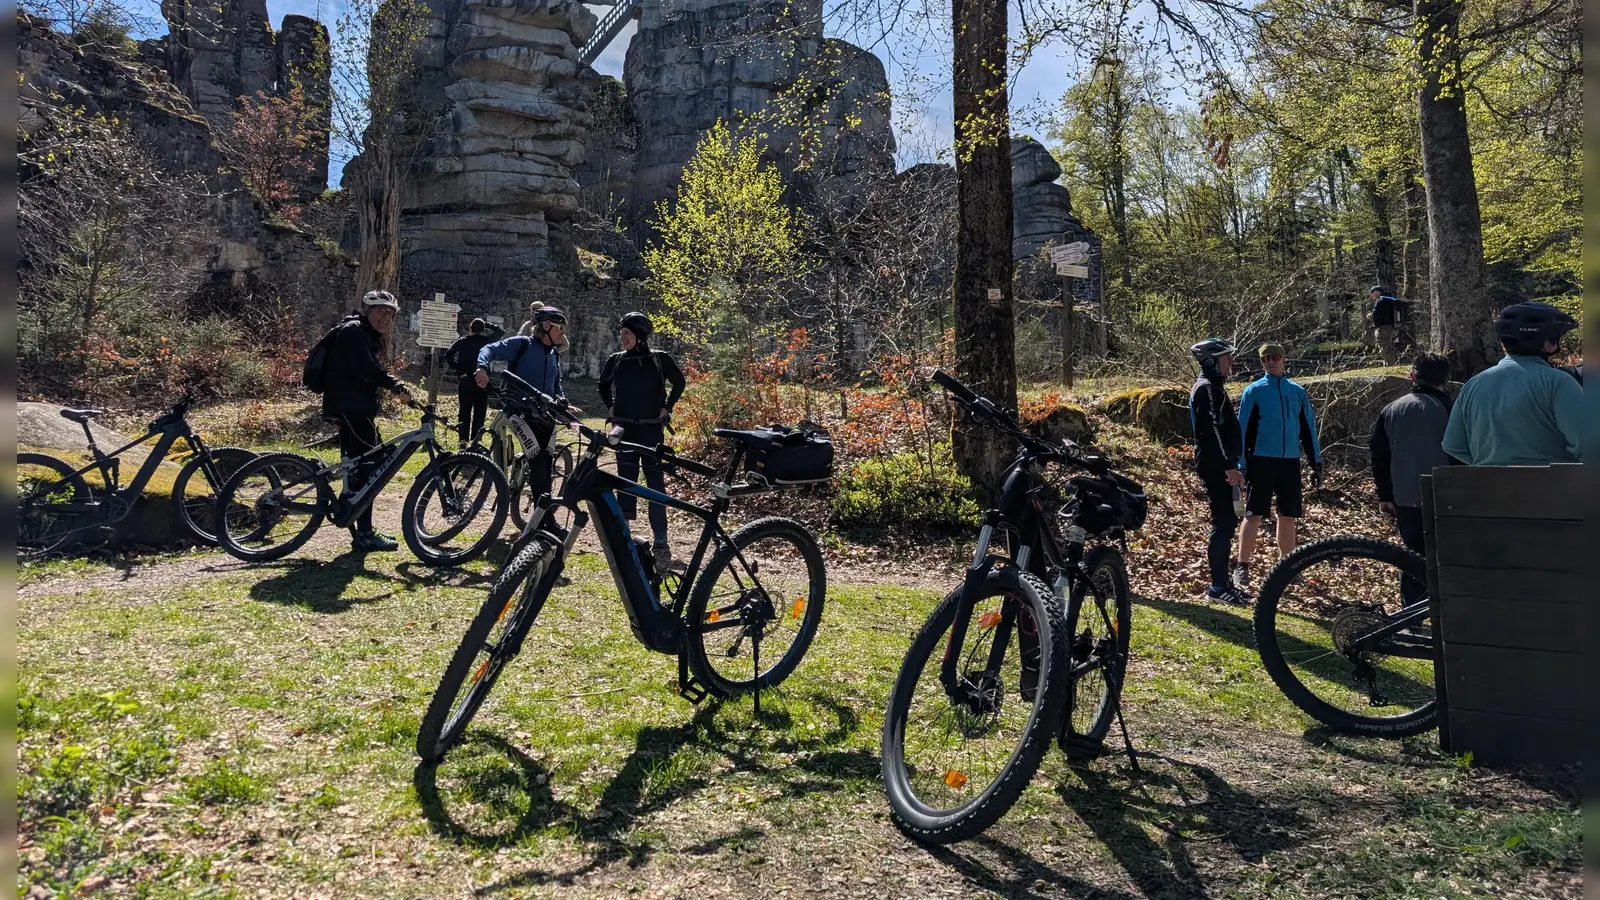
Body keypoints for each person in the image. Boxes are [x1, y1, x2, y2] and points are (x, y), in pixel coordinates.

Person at [323, 290, 411, 552]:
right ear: (367, 310)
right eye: (381, 311)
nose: (386, 317)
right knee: (371, 469)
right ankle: (365, 533)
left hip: (354, 408)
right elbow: (366, 369)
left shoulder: (364, 334)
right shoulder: (353, 332)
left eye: (390, 314)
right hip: (352, 409)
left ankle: (355, 519)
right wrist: (395, 385)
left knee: (361, 468)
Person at [1443, 302, 1582, 466]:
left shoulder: (1473, 385)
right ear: (1549, 344)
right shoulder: (1560, 383)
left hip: (1486, 489)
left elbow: (1453, 446)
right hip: (1553, 489)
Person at [599, 311, 686, 571]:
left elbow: (679, 382)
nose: (622, 338)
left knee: (655, 486)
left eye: (626, 333)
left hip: (651, 432)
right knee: (626, 483)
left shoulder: (660, 359)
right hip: (624, 431)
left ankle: (661, 540)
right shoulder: (616, 361)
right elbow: (603, 385)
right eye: (622, 333)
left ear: (640, 336)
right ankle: (624, 536)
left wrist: (667, 407)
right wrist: (610, 407)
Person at [1235, 343, 1323, 585]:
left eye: (1274, 357)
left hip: (1290, 463)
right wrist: (1240, 462)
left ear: (1283, 359)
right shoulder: (1253, 391)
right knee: (1254, 514)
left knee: (1288, 517)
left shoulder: (1297, 392)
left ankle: (1288, 568)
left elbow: (1308, 429)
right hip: (1261, 461)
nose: (1270, 362)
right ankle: (1242, 566)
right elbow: (1242, 430)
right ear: (1261, 362)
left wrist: (1316, 461)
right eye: (1265, 359)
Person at [475, 305, 580, 506]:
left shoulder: (553, 354)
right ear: (547, 326)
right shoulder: (522, 344)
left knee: (547, 464)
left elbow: (555, 384)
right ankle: (544, 522)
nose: (563, 333)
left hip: (545, 415)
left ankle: (542, 517)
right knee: (539, 461)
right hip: (519, 413)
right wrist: (481, 367)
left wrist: (562, 401)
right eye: (560, 328)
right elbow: (488, 349)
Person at [1370, 353, 1454, 606]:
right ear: (1447, 379)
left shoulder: (1390, 410)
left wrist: (1384, 496)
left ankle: (1410, 616)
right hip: (1447, 497)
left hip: (1405, 497)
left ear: (1413, 376)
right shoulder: (1452, 409)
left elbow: (1379, 457)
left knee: (1412, 558)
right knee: (1445, 559)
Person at [1187, 338, 1251, 606]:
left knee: (1227, 523)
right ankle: (1217, 587)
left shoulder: (1214, 388)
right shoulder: (1206, 390)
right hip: (1216, 466)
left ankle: (1222, 584)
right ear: (1212, 361)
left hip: (1221, 464)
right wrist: (1229, 466)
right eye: (1226, 359)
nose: (1231, 363)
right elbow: (1209, 432)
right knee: (1222, 524)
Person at [444, 318, 496, 446]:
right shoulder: (486, 341)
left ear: (470, 328)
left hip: (466, 379)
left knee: (464, 411)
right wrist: (487, 325)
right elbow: (501, 331)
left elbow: (448, 355)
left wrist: (459, 369)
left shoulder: (463, 341)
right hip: (481, 380)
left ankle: (462, 441)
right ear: (483, 330)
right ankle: (476, 441)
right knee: (479, 412)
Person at [1370, 286, 1410, 366]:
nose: (1372, 297)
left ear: (1375, 292)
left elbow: (1376, 314)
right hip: (1393, 328)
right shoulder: (1391, 299)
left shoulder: (1381, 300)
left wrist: (1370, 316)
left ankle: (1392, 365)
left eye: (1372, 295)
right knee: (1389, 346)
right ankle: (1391, 364)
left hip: (1383, 328)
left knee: (1384, 347)